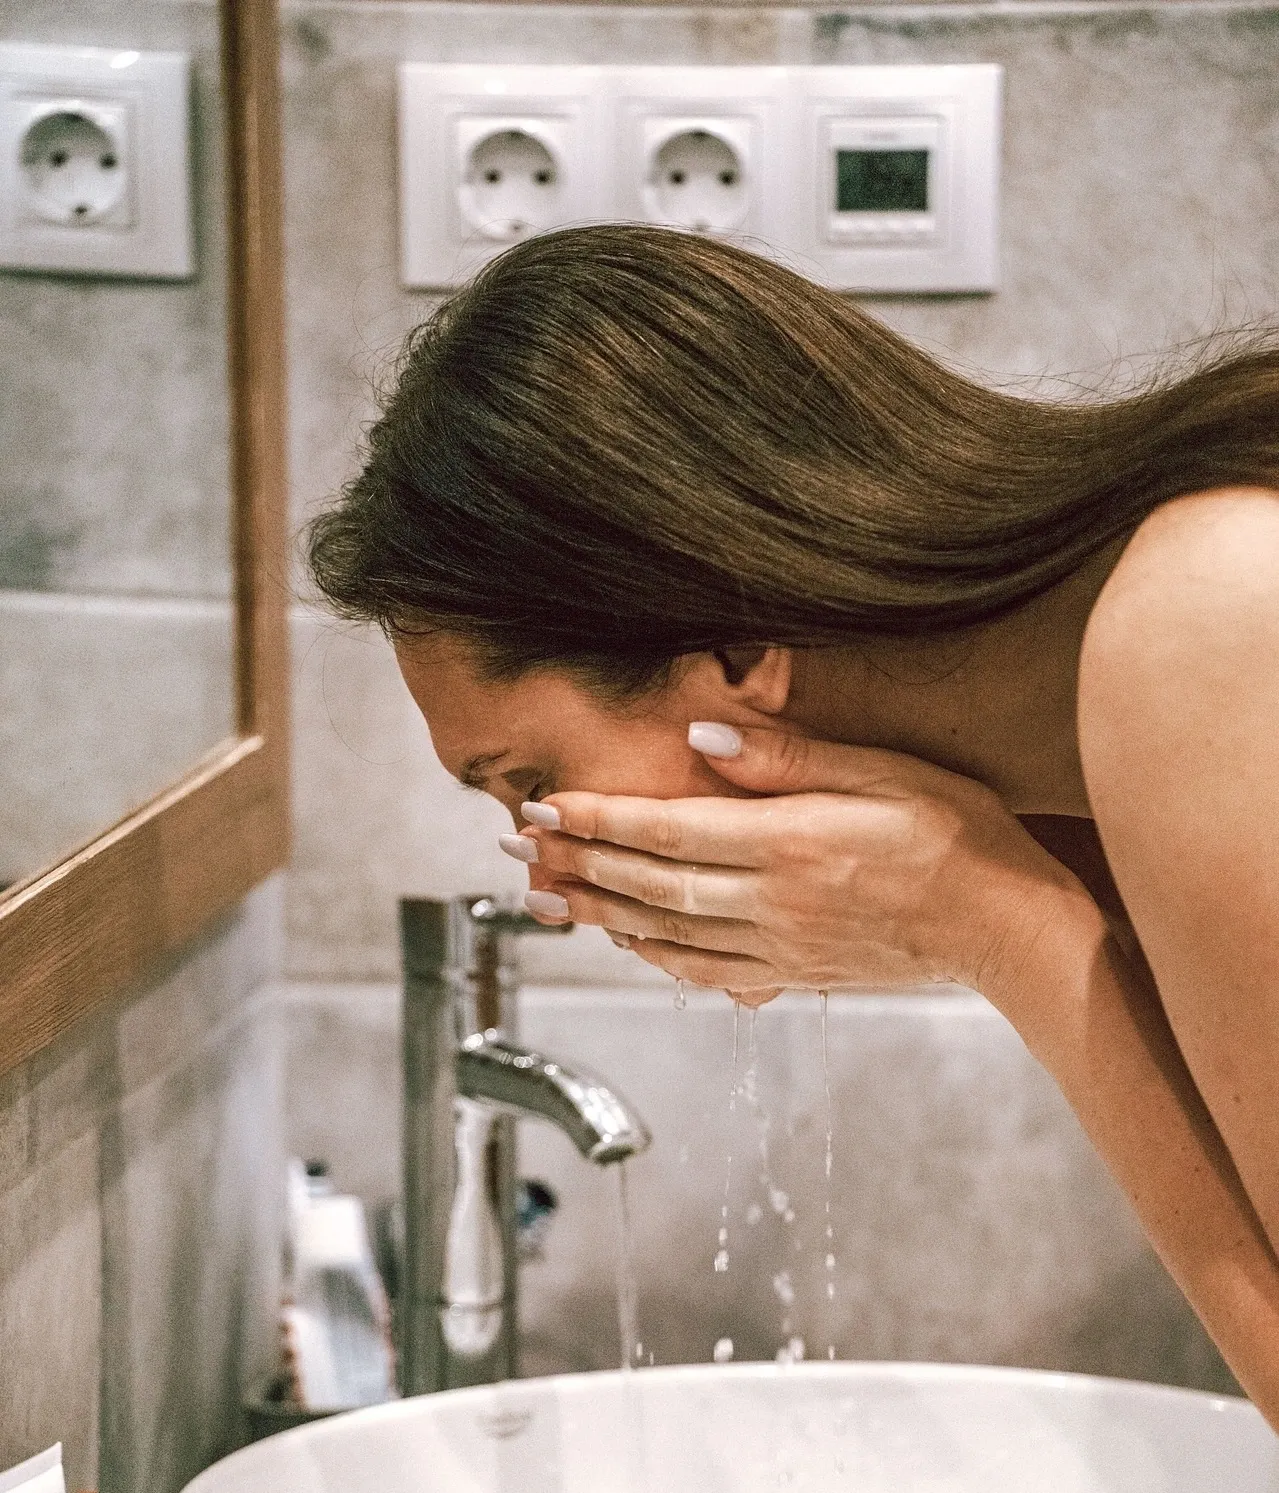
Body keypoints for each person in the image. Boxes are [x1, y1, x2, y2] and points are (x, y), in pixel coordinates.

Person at [307, 224, 1279, 1421]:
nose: (552, 871)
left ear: (733, 643)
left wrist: (1000, 927)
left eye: (529, 779)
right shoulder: (1105, 736)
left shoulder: (1212, 625)